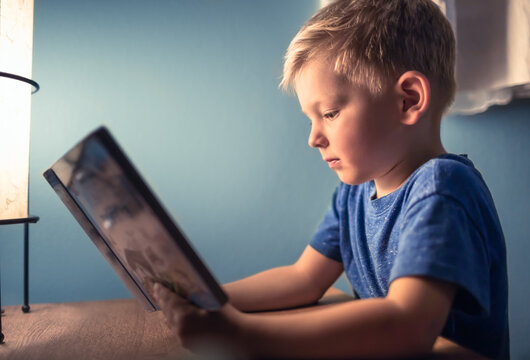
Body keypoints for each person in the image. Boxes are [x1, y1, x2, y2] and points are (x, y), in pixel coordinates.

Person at [153, 0, 509, 358]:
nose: (313, 138)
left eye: (329, 113)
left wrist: (243, 335)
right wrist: (205, 298)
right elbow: (304, 279)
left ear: (408, 100)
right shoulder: (353, 194)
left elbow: (407, 324)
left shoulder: (442, 187)